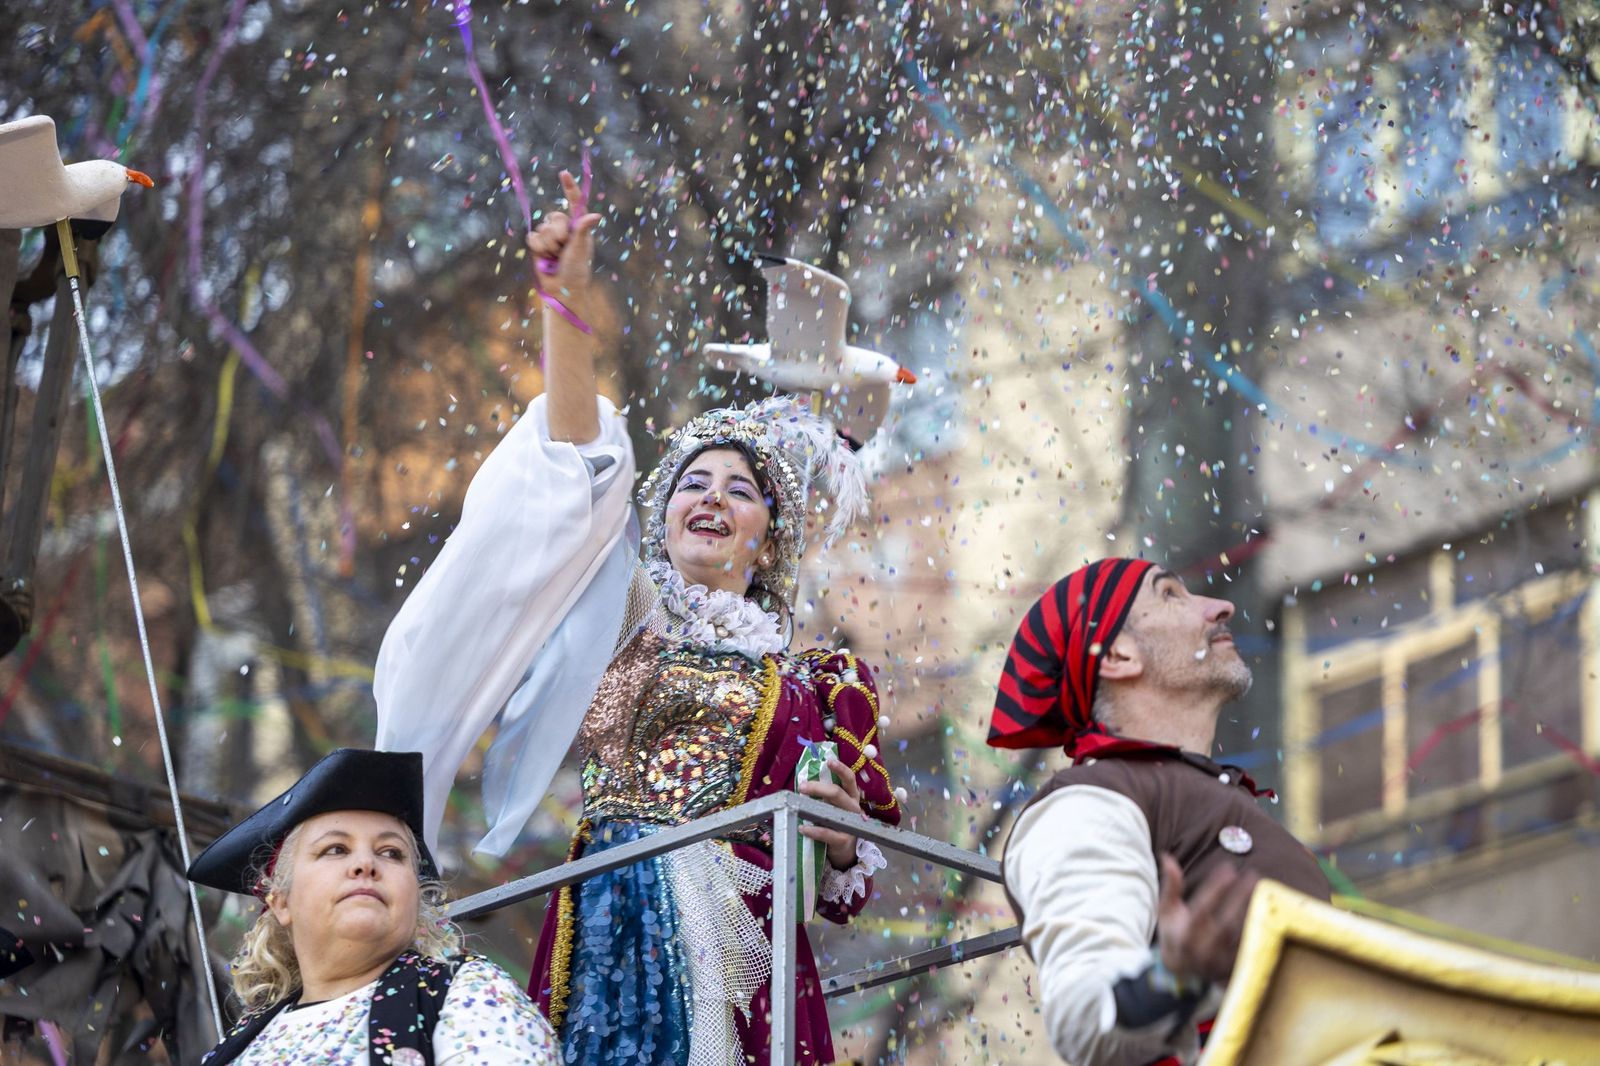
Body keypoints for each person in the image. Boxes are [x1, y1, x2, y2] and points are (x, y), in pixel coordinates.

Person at [372, 169, 901, 1066]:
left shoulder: (817, 689)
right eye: (693, 482)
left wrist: (842, 846)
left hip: (748, 954)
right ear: (662, 515)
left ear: (769, 538)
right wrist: (566, 303)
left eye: (739, 491)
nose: (712, 497)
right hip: (616, 920)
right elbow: (578, 458)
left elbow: (840, 893)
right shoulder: (623, 615)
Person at [990, 558, 1331, 1066]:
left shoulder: (1223, 802)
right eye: (1170, 594)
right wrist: (1175, 978)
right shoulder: (1087, 800)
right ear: (1118, 654)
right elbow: (1084, 1017)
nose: (1221, 607)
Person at [186, 748, 559, 1065]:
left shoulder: (468, 993)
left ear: (416, 896)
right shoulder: (240, 1046)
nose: (366, 864)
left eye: (391, 852)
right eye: (336, 849)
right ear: (280, 901)